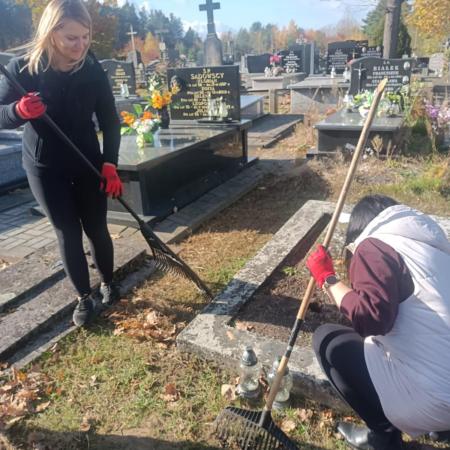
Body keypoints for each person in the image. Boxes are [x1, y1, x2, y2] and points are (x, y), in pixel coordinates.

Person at [0, 0, 123, 327]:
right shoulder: (23, 69)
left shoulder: (92, 68)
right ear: (51, 33)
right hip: (45, 166)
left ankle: (108, 283)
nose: (80, 45)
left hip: (87, 161)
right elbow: (0, 114)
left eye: (85, 37)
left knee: (96, 226)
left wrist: (110, 163)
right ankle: (84, 297)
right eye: (71, 38)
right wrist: (19, 112)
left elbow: (111, 120)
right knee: (68, 231)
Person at [306, 194, 450, 450]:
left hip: (440, 396)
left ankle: (383, 438)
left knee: (327, 341)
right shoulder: (429, 245)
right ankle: (441, 428)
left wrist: (327, 278)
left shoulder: (372, 246)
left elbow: (370, 319)